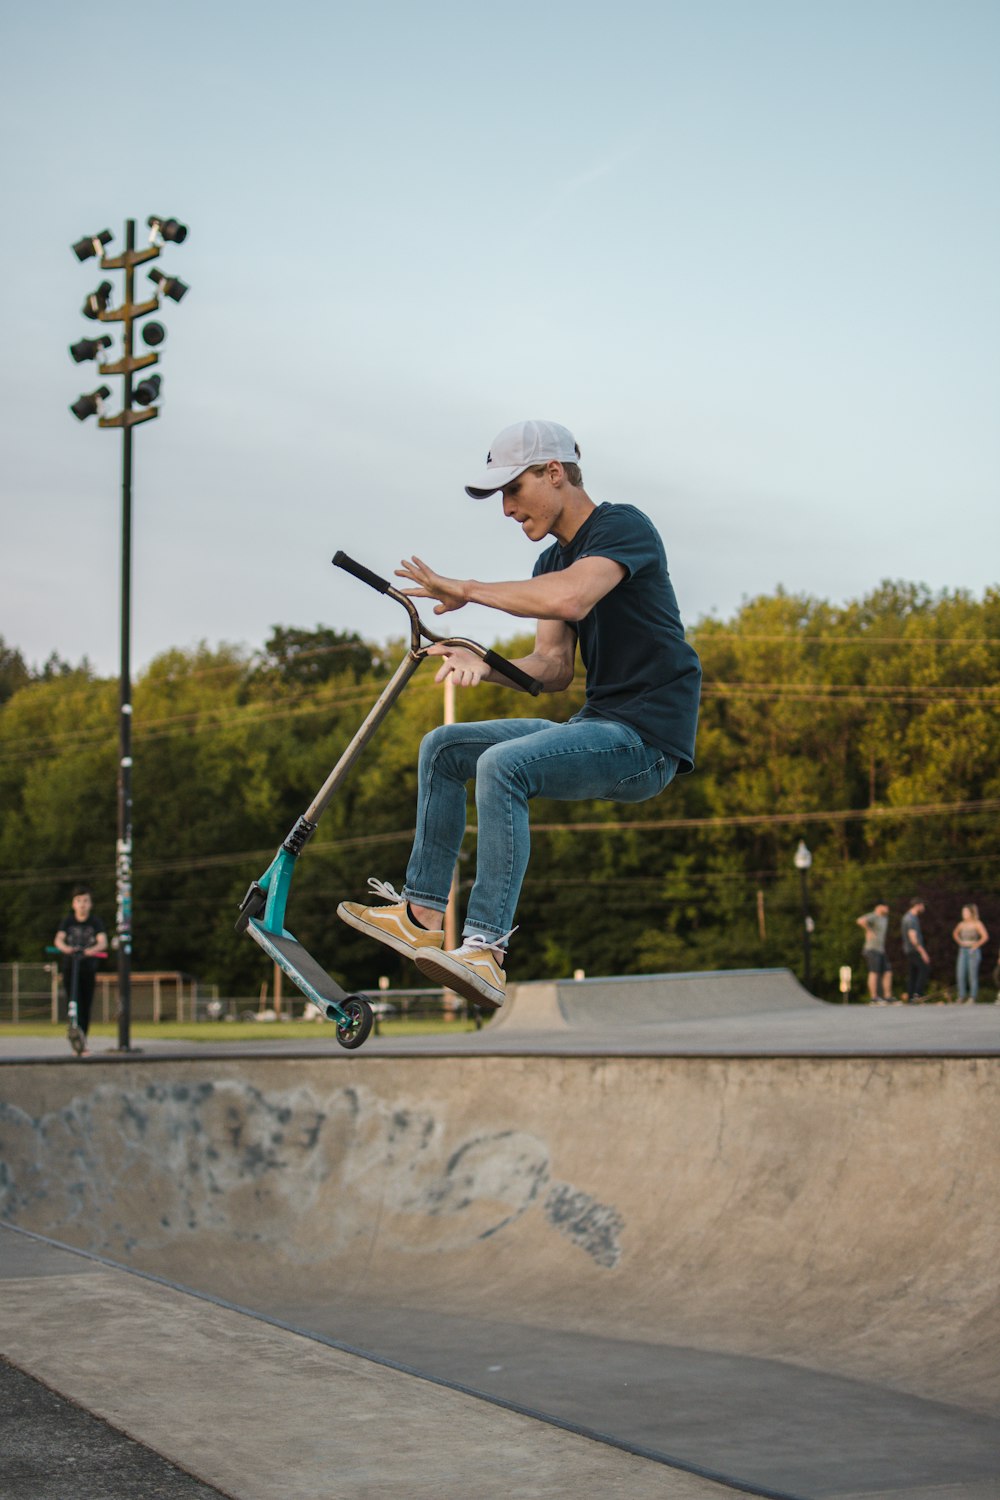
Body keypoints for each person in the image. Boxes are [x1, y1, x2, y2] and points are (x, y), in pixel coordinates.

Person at [337, 419, 702, 1009]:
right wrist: (485, 661)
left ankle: (484, 949)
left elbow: (573, 596)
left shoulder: (622, 527)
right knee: (445, 747)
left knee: (503, 766)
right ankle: (420, 913)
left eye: (512, 490)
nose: (507, 509)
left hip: (647, 742)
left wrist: (469, 589)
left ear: (554, 473)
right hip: (598, 726)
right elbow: (553, 668)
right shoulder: (549, 563)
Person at [53, 886, 108, 1053]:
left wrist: (92, 950)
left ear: (90, 904)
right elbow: (58, 940)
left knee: (85, 1005)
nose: (82, 904)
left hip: (87, 968)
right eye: (79, 901)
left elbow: (103, 942)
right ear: (73, 904)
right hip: (71, 968)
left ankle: (83, 1041)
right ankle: (73, 1030)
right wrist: (66, 948)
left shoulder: (95, 922)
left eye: (85, 901)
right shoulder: (68, 921)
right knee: (73, 1002)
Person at [855, 902, 894, 1003]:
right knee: (874, 972)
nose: (887, 909)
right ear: (879, 907)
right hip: (871, 949)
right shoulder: (874, 916)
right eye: (886, 907)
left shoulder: (884, 918)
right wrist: (868, 930)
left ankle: (887, 996)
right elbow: (859, 921)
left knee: (888, 971)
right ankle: (874, 997)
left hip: (881, 950)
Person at [952, 903, 989, 1004]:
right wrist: (960, 942)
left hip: (973, 951)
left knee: (972, 975)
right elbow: (955, 933)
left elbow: (985, 936)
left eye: (965, 912)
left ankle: (973, 996)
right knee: (960, 973)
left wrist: (976, 945)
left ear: (971, 913)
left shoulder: (977, 923)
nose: (963, 914)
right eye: (963, 912)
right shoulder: (962, 924)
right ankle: (961, 995)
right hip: (963, 950)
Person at [900, 897, 930, 1002]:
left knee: (913, 972)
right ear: (917, 905)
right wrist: (923, 952)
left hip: (909, 949)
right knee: (924, 968)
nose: (923, 907)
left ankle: (910, 995)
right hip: (913, 949)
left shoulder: (908, 917)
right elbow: (913, 937)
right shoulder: (911, 919)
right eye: (922, 905)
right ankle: (918, 994)